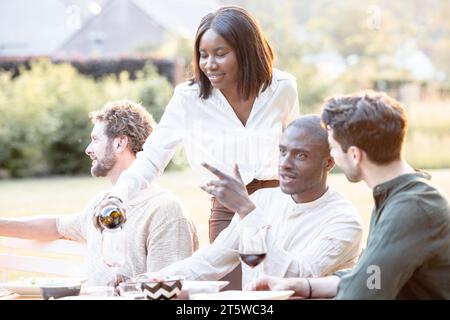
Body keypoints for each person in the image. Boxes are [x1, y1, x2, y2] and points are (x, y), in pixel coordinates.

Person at [97, 5, 300, 289]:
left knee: (282, 290)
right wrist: (118, 195)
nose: (209, 64)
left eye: (220, 53)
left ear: (246, 50)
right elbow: (153, 157)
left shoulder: (282, 88)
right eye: (203, 55)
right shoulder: (189, 98)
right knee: (231, 297)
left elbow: (297, 151)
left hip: (279, 206)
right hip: (228, 211)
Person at [252, 91, 450, 299]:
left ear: (355, 155)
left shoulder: (411, 208)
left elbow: (363, 294)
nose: (333, 157)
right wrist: (303, 285)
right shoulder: (398, 198)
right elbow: (373, 275)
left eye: (334, 148)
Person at [137, 115, 363, 289]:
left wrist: (247, 211)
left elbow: (294, 277)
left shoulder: (344, 221)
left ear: (329, 163)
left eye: (300, 155)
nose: (285, 163)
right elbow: (210, 261)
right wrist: (149, 280)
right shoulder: (263, 199)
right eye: (282, 152)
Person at [0, 100, 199, 286]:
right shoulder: (101, 204)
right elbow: (56, 226)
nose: (88, 149)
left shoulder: (165, 211)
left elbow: (167, 290)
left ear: (120, 143)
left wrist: (129, 286)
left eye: (95, 140)